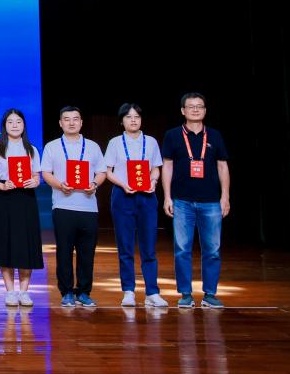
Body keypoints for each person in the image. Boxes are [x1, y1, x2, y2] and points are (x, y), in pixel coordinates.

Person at [161, 92, 230, 308]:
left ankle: (210, 294)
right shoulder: (172, 135)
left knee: (212, 249)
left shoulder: (215, 135)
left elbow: (222, 166)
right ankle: (185, 294)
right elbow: (167, 166)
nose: (195, 110)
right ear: (183, 111)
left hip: (211, 201)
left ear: (205, 110)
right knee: (182, 249)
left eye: (199, 106)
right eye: (191, 106)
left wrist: (225, 196)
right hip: (182, 201)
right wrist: (167, 197)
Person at [40, 105, 107, 307]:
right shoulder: (52, 146)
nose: (71, 123)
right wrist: (60, 185)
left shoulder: (92, 146)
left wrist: (94, 184)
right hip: (63, 206)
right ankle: (67, 291)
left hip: (88, 207)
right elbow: (46, 173)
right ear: (60, 123)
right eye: (67, 119)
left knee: (87, 252)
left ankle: (84, 292)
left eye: (75, 119)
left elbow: (102, 172)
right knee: (64, 251)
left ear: (81, 122)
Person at [103, 103, 168, 308]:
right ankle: (128, 291)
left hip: (146, 197)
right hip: (123, 196)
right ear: (121, 120)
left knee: (149, 247)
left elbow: (156, 168)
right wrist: (123, 184)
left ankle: (152, 292)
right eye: (129, 117)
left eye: (137, 117)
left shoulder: (151, 142)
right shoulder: (115, 143)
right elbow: (108, 171)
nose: (133, 120)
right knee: (125, 246)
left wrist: (153, 181)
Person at [0, 108, 43, 307]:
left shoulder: (31, 150)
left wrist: (35, 182)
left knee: (26, 244)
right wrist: (1, 186)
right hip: (5, 198)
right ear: (4, 126)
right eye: (10, 122)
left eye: (18, 122)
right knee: (5, 244)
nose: (15, 125)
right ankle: (10, 291)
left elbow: (37, 176)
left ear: (24, 125)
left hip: (26, 199)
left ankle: (24, 292)